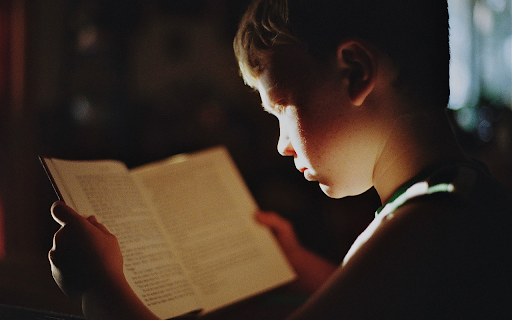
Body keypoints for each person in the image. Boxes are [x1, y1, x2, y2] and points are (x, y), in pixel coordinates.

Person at [49, 0, 512, 319]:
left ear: (355, 72)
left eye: (283, 109)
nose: (282, 145)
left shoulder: (426, 226)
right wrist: (297, 264)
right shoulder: (456, 197)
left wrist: (102, 286)